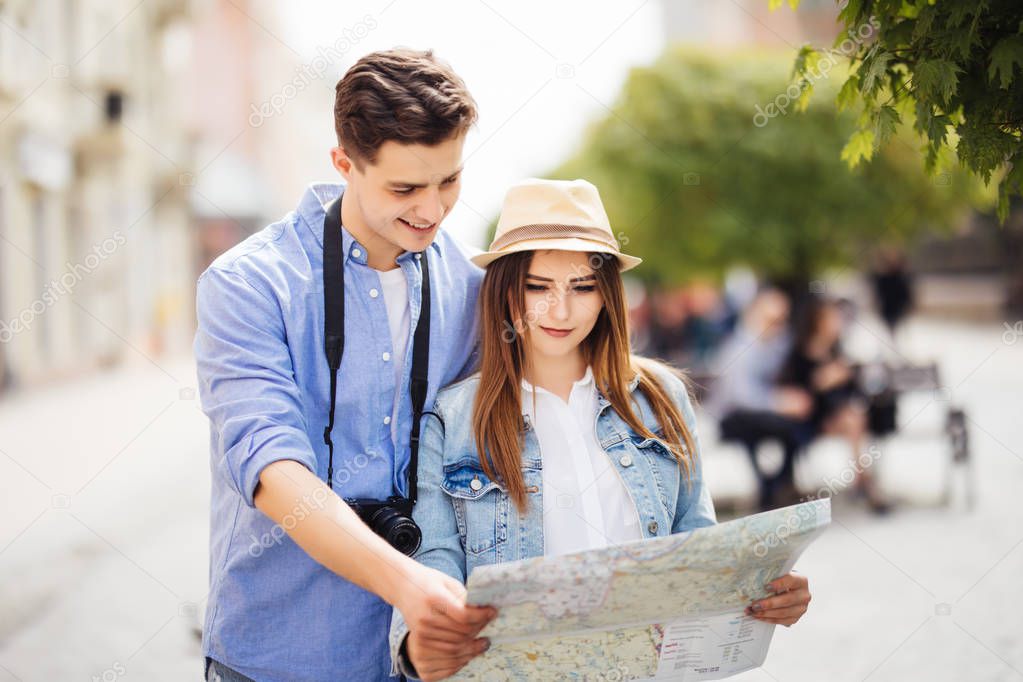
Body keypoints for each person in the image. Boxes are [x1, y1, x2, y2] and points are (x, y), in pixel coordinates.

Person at [388, 179, 813, 681]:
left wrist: (762, 591)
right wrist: (420, 643)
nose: (560, 311)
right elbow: (435, 562)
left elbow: (697, 546)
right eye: (538, 287)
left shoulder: (662, 399)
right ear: (505, 290)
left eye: (582, 287)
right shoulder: (454, 418)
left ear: (608, 293)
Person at [193, 49, 495, 681]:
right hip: (279, 654)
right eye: (405, 188)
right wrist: (408, 583)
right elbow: (272, 470)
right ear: (343, 163)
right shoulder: (248, 284)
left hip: (423, 657)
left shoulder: (472, 286)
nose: (433, 210)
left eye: (449, 181)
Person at [778, 297, 892, 514]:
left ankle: (863, 479)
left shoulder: (837, 351)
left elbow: (854, 392)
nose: (838, 323)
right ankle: (864, 481)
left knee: (853, 418)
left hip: (841, 417)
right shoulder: (800, 353)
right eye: (832, 319)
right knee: (853, 419)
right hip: (811, 419)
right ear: (818, 321)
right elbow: (796, 393)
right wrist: (819, 382)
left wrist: (845, 376)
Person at [704, 289, 813, 510]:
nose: (778, 325)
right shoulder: (739, 347)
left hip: (759, 416)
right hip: (732, 416)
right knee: (783, 426)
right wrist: (780, 402)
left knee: (795, 426)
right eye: (773, 319)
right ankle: (772, 488)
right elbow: (741, 397)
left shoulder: (778, 345)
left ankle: (775, 486)